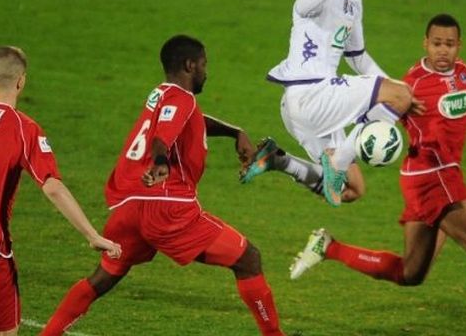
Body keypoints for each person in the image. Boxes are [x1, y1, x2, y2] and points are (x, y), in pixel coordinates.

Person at [289, 14, 466, 335]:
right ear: (425, 44)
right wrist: (353, 149)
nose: (442, 51)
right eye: (436, 44)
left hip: (428, 178)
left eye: (449, 44)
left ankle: (329, 247)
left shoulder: (462, 73)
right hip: (432, 174)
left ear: (459, 46)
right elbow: (376, 117)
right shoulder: (412, 85)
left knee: (411, 273)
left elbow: (456, 109)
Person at [40, 35, 285, 336]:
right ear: (189, 65)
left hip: (127, 208)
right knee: (249, 258)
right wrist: (161, 164)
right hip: (167, 208)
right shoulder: (182, 100)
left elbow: (188, 120)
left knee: (103, 278)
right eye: (204, 65)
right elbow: (163, 138)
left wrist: (236, 132)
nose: (207, 72)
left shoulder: (161, 95)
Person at [0, 46, 122, 336]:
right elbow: (53, 188)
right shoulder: (23, 129)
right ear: (21, 81)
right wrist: (92, 235)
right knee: (3, 332)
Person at [240, 0, 423, 207]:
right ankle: (336, 161)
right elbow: (302, 7)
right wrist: (399, 95)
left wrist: (396, 88)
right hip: (312, 94)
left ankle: (279, 160)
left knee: (354, 189)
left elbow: (357, 56)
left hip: (309, 108)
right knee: (398, 97)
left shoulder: (354, 4)